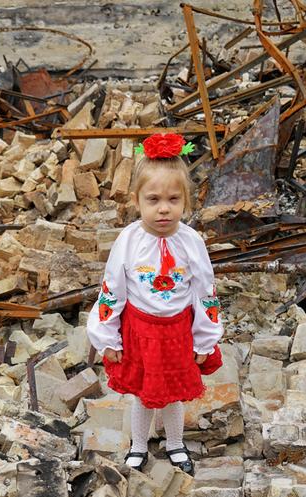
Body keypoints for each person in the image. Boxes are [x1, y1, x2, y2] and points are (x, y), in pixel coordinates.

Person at [86, 133, 224, 476]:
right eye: (154, 199)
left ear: (186, 201)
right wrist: (108, 339)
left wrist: (205, 339)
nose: (164, 208)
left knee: (173, 392)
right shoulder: (129, 241)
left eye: (173, 199)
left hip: (177, 331)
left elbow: (204, 292)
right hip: (140, 330)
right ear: (137, 201)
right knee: (144, 394)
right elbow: (112, 289)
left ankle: (176, 444)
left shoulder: (191, 242)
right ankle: (138, 446)